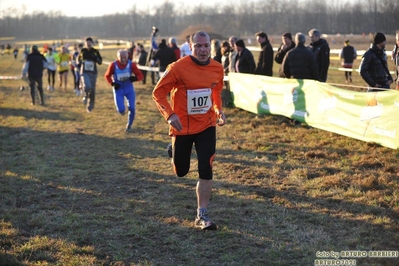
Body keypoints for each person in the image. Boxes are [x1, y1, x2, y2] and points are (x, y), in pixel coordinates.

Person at [152, 30, 226, 230]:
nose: (203, 50)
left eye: (206, 45)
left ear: (210, 46)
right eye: (198, 46)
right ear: (190, 47)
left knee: (206, 167)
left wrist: (218, 110)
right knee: (181, 171)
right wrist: (170, 114)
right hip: (182, 126)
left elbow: (216, 91)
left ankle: (202, 215)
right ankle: (173, 151)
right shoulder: (177, 67)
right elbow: (158, 93)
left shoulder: (217, 68)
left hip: (207, 124)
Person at [104, 49, 143, 132]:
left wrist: (135, 78)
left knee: (132, 108)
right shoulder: (113, 65)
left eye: (125, 57)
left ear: (128, 57)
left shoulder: (131, 65)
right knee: (121, 110)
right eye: (121, 57)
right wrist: (113, 84)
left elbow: (140, 75)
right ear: (118, 57)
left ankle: (129, 125)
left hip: (129, 88)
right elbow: (107, 76)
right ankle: (122, 111)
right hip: (118, 89)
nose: (123, 59)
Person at [78, 37, 103, 113]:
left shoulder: (95, 51)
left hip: (93, 72)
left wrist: (96, 59)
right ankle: (85, 96)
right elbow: (78, 58)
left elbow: (100, 61)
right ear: (85, 43)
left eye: (90, 42)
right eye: (87, 42)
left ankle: (90, 105)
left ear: (92, 43)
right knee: (87, 86)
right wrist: (78, 61)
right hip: (84, 71)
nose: (88, 44)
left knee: (92, 89)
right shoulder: (83, 51)